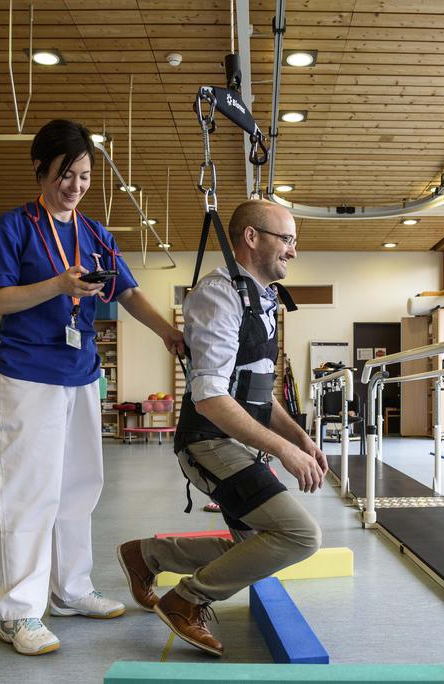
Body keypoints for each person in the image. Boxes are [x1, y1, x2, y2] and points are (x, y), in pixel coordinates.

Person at [0, 119, 183, 655]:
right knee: (30, 492)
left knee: (80, 486)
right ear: (41, 170)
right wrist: (58, 286)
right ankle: (19, 613)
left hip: (83, 372)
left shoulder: (95, 234)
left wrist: (168, 333)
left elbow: (128, 293)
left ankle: (70, 590)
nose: (75, 185)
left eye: (85, 175)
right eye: (66, 174)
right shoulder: (14, 227)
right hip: (27, 373)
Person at [117, 199, 327, 657]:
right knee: (300, 535)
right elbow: (211, 398)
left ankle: (148, 556)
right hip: (208, 442)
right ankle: (186, 600)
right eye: (286, 238)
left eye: (294, 240)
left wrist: (302, 439)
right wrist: (286, 454)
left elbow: (259, 395)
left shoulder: (263, 300)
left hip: (238, 442)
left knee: (254, 550)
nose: (293, 250)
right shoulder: (219, 295)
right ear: (251, 238)